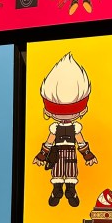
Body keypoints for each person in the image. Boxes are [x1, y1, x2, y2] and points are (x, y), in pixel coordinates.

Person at [33, 53, 97, 207]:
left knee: (70, 173)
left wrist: (88, 155)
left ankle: (71, 190)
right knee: (57, 173)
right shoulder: (54, 127)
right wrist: (41, 156)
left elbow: (81, 142)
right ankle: (56, 191)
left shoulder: (76, 127)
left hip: (70, 154)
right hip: (57, 154)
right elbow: (49, 142)